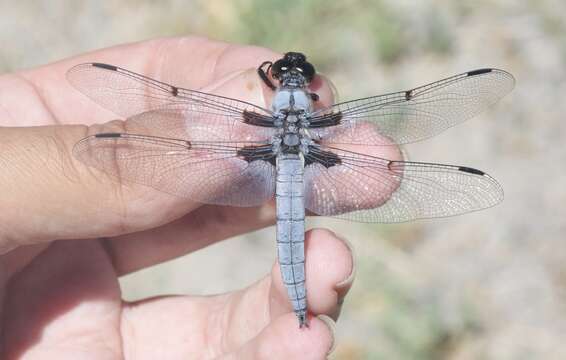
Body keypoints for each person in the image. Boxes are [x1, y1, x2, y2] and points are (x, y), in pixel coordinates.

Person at [0, 37, 356, 359]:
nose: (290, 77)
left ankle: (299, 309)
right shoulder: (310, 104)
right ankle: (300, 309)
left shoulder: (269, 100)